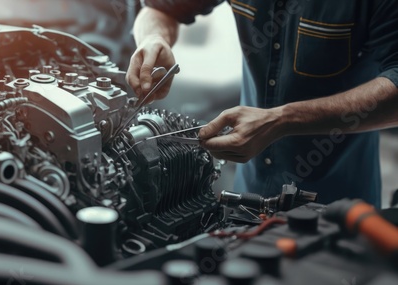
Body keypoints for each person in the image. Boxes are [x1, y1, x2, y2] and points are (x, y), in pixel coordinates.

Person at [125, 0, 398, 208]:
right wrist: (153, 38)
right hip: (247, 195)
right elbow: (160, 9)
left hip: (336, 204)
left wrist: (283, 120)